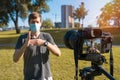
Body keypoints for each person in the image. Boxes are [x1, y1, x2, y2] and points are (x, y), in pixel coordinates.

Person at [13, 12, 61, 80]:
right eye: (33, 22)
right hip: (30, 77)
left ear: (40, 23)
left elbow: (58, 53)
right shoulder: (22, 38)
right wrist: (25, 45)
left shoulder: (46, 36)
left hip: (46, 77)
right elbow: (15, 59)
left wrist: (45, 43)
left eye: (37, 22)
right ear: (29, 23)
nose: (35, 24)